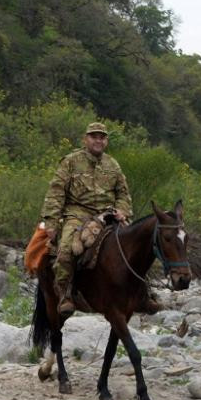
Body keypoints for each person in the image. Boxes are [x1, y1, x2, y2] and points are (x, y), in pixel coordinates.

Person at [40, 121, 132, 315]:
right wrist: (51, 222)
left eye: (102, 137)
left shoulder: (112, 164)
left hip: (108, 214)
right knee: (65, 250)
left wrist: (123, 210)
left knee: (138, 243)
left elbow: (123, 193)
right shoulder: (71, 161)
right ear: (86, 139)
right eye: (94, 136)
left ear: (106, 141)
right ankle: (65, 292)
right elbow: (56, 192)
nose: (98, 140)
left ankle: (142, 292)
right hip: (78, 214)